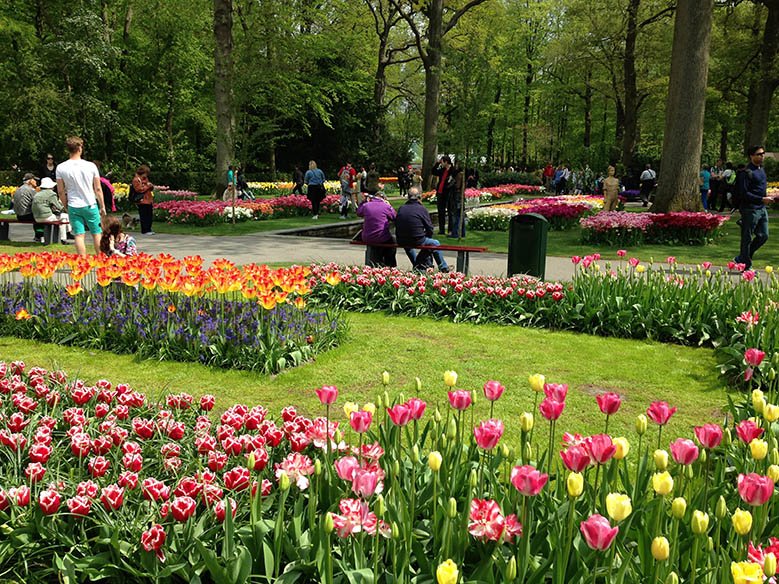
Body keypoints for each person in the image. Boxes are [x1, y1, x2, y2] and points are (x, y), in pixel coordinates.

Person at [56, 136, 106, 256]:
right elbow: (98, 188)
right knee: (97, 233)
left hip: (74, 204)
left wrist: (65, 205)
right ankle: (100, 260)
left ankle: (82, 263)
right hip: (90, 204)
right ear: (79, 148)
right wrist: (102, 206)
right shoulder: (90, 166)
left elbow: (61, 191)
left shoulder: (61, 167)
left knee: (78, 235)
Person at [734, 145, 775, 269]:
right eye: (759, 154)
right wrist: (761, 199)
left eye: (763, 153)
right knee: (746, 237)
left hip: (761, 208)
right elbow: (743, 193)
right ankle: (746, 266)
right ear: (751, 156)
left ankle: (742, 257)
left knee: (763, 235)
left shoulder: (761, 170)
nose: (762, 156)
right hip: (749, 209)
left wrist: (768, 195)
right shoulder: (745, 172)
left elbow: (759, 189)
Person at [395, 187, 449, 272]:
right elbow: (430, 227)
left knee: (408, 246)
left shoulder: (401, 208)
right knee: (435, 243)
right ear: (419, 197)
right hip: (417, 239)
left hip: (401, 240)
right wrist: (428, 236)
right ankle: (443, 267)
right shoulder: (421, 209)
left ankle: (417, 265)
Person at [356, 192, 397, 267]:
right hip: (381, 237)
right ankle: (390, 265)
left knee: (379, 242)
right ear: (384, 199)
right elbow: (394, 217)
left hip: (367, 237)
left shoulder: (366, 205)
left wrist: (363, 201)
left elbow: (358, 212)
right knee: (392, 242)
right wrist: (389, 206)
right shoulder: (386, 206)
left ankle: (378, 261)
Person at [32, 177, 71, 244]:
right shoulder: (51, 194)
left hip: (36, 218)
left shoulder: (37, 194)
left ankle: (65, 235)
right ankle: (63, 238)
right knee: (64, 217)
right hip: (47, 217)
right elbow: (59, 207)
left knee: (61, 218)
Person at [13, 173, 45, 242]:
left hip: (19, 216)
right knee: (43, 215)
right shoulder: (31, 190)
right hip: (27, 216)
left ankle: (38, 236)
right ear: (30, 181)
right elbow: (39, 202)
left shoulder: (18, 189)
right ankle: (40, 235)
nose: (36, 182)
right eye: (34, 180)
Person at [431, 155, 453, 234]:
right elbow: (433, 171)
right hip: (440, 193)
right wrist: (437, 163)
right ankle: (442, 229)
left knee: (450, 212)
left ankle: (450, 229)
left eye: (442, 162)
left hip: (448, 194)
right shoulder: (442, 170)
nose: (441, 163)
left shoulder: (452, 171)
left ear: (446, 162)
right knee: (441, 212)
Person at [132, 165, 155, 235]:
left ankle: (149, 229)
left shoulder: (146, 179)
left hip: (148, 199)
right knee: (144, 216)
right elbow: (139, 190)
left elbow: (149, 187)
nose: (147, 175)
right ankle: (145, 230)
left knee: (149, 215)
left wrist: (150, 186)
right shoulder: (136, 180)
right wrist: (148, 186)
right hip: (142, 201)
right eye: (146, 173)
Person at [448, 162, 465, 238]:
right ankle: (462, 232)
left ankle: (455, 232)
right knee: (461, 215)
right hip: (461, 196)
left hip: (457, 196)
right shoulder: (464, 175)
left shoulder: (459, 175)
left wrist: (452, 183)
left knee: (457, 214)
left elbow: (457, 186)